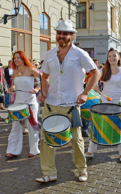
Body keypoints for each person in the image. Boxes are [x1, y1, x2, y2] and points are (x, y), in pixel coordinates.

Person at [36, 19, 100, 183]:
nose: (61, 36)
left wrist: (85, 93)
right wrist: (43, 92)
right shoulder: (50, 53)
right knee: (46, 139)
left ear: (71, 35)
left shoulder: (80, 54)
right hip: (50, 104)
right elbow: (44, 76)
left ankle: (81, 169)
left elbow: (96, 74)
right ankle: (49, 172)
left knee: (76, 139)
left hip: (71, 105)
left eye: (65, 33)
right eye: (59, 33)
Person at [85, 48, 121, 163]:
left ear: (118, 57)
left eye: (114, 56)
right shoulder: (103, 70)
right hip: (104, 101)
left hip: (118, 102)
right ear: (107, 58)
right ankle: (91, 150)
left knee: (119, 127)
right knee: (97, 125)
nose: (112, 58)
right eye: (110, 56)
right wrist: (95, 87)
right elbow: (91, 79)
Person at [5, 51, 41, 158]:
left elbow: (44, 78)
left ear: (23, 59)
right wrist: (11, 89)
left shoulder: (30, 70)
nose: (16, 60)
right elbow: (14, 85)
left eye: (18, 58)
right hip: (18, 103)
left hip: (30, 103)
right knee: (15, 127)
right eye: (14, 58)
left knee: (31, 127)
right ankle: (12, 150)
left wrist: (37, 89)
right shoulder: (15, 72)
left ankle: (34, 150)